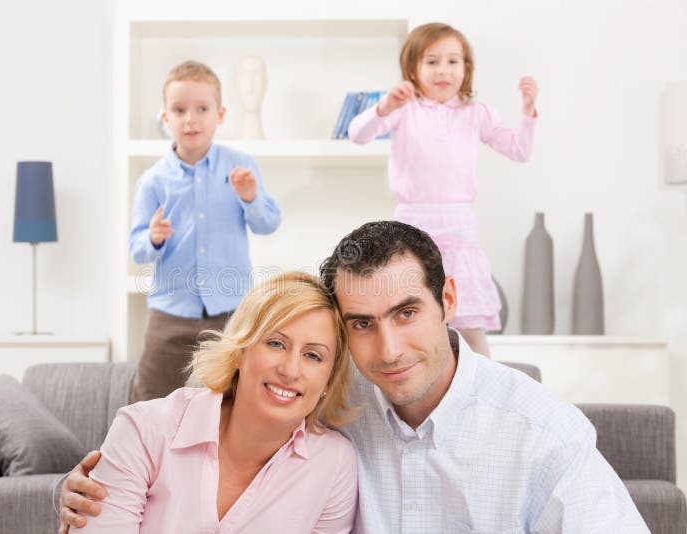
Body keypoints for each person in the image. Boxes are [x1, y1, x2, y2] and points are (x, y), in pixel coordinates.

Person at [59, 221, 649, 534]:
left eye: (407, 313)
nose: (388, 349)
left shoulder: (541, 432)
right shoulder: (331, 399)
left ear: (448, 297)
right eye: (362, 323)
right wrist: (86, 484)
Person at [70, 271, 357, 533]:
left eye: (313, 356)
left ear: (328, 382)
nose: (290, 370)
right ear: (241, 350)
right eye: (276, 343)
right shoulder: (144, 430)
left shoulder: (334, 464)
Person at [348, 22, 538, 356]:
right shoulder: (403, 110)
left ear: (467, 69)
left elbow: (519, 150)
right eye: (432, 61)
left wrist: (527, 113)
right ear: (413, 68)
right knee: (412, 314)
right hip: (412, 223)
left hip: (459, 226)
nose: (443, 71)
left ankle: (482, 392)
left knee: (468, 324)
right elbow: (357, 134)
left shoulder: (476, 113)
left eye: (453, 61)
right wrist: (384, 108)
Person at [129, 60, 281, 402]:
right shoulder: (152, 181)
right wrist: (152, 237)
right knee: (150, 398)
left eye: (202, 108)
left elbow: (268, 223)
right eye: (179, 110)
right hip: (170, 314)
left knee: (234, 400)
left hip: (231, 313)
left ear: (220, 114)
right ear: (166, 118)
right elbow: (137, 248)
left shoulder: (240, 167)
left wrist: (250, 197)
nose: (191, 119)